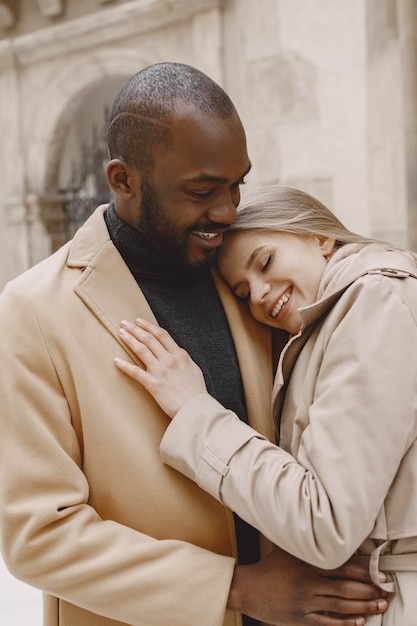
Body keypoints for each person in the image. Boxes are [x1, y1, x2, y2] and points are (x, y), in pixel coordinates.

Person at [0, 65, 388, 626]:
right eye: (203, 191)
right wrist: (237, 589)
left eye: (238, 185)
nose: (228, 211)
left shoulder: (252, 282)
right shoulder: (33, 309)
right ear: (123, 179)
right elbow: (40, 535)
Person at [113, 185, 417, 625]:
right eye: (242, 291)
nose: (257, 294)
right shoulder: (328, 325)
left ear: (319, 236)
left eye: (265, 262)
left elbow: (324, 521)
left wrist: (195, 412)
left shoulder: (376, 302)